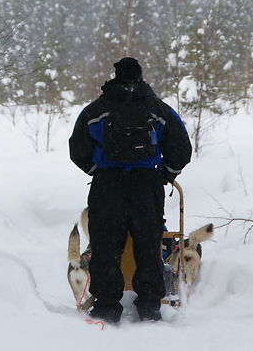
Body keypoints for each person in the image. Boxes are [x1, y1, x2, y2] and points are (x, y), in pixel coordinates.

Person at [68, 57, 192, 323]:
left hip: (107, 185)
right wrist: (165, 174)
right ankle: (149, 305)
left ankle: (107, 306)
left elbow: (77, 149)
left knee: (106, 246)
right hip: (147, 185)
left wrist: (97, 170)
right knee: (148, 245)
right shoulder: (158, 109)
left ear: (115, 75)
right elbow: (181, 148)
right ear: (141, 76)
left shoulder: (96, 110)